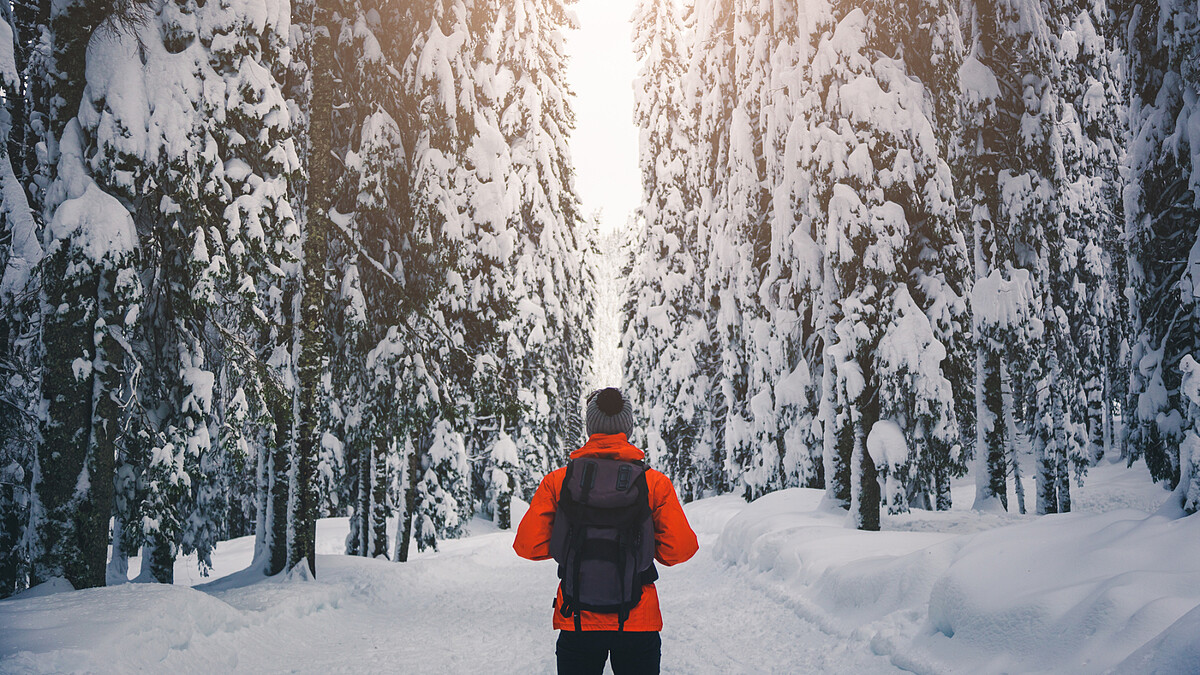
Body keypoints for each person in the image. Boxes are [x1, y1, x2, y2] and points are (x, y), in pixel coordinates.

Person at [513, 387, 699, 675]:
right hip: (638, 620)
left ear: (590, 426)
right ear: (628, 426)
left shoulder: (559, 481)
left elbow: (528, 546)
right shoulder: (653, 483)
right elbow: (679, 551)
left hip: (577, 618)